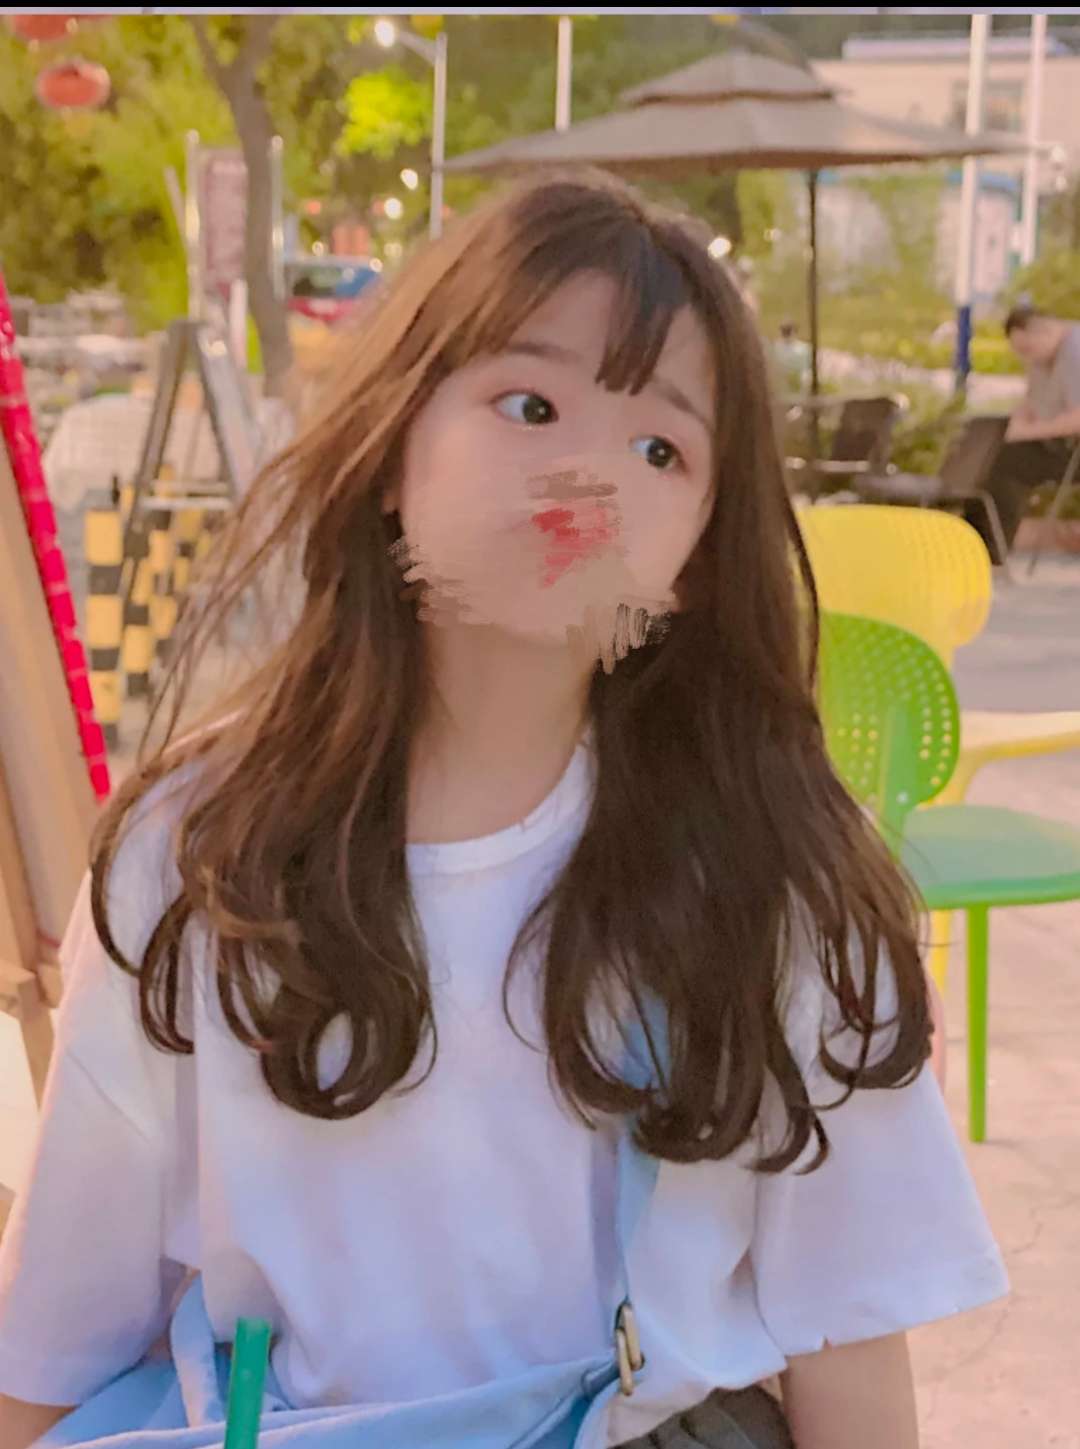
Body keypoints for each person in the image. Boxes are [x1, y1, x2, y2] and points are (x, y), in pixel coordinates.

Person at [0, 172, 1007, 1449]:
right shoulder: (190, 859)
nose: (586, 477)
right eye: (530, 405)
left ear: (696, 559)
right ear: (391, 450)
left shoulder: (770, 877)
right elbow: (61, 1330)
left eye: (660, 449)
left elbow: (847, 1337)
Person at [972, 306, 1080, 563]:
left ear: (1043, 331)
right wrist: (1008, 431)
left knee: (1006, 463)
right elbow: (1030, 404)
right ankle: (976, 544)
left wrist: (1025, 433)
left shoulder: (1074, 352)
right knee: (990, 455)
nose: (1025, 356)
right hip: (1064, 445)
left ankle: (989, 551)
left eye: (1027, 349)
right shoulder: (1042, 358)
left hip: (1074, 448)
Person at [773, 321, 811, 396]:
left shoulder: (803, 348)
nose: (786, 335)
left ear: (794, 332)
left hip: (800, 376)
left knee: (805, 378)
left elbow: (807, 367)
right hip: (781, 377)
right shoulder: (775, 347)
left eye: (788, 331)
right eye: (784, 331)